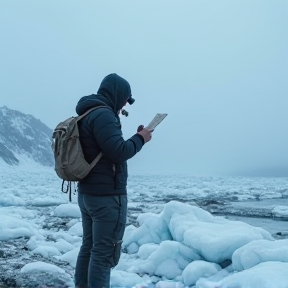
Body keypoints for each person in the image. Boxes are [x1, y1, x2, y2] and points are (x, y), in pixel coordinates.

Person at [74, 73, 152, 288]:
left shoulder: (88, 112)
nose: (126, 103)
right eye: (127, 98)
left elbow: (106, 148)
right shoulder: (104, 115)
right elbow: (118, 151)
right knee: (103, 254)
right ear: (118, 95)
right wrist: (141, 139)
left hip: (88, 194)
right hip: (107, 197)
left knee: (89, 247)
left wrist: (136, 137)